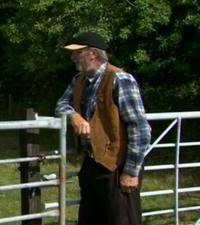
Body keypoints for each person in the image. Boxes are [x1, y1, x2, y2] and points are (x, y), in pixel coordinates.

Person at [55, 32, 151, 225]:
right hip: (92, 163)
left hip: (118, 165)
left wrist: (131, 172)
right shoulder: (79, 80)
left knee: (122, 220)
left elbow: (140, 129)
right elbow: (60, 105)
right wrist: (74, 116)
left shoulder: (120, 79)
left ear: (93, 54)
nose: (72, 57)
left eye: (77, 52)